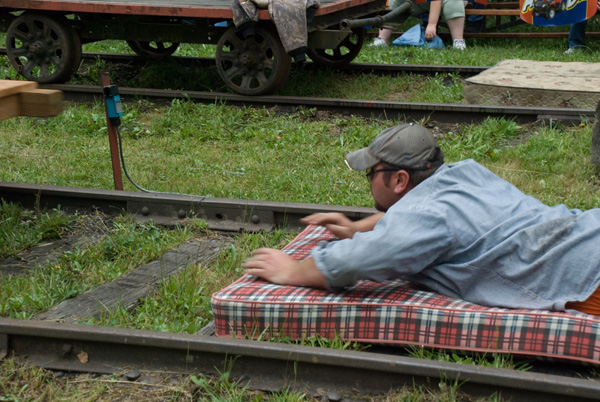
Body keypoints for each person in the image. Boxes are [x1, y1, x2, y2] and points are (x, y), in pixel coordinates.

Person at [243, 123, 600, 315]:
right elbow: (424, 220)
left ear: (400, 180)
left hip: (588, 279)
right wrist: (356, 228)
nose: (368, 181)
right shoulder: (466, 173)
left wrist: (293, 270)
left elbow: (356, 260)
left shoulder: (426, 218)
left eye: (371, 173)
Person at [370, 0, 467, 49]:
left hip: (447, 2)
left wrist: (431, 24)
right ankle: (382, 39)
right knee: (393, 0)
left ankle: (458, 41)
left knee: (454, 2)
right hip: (420, 2)